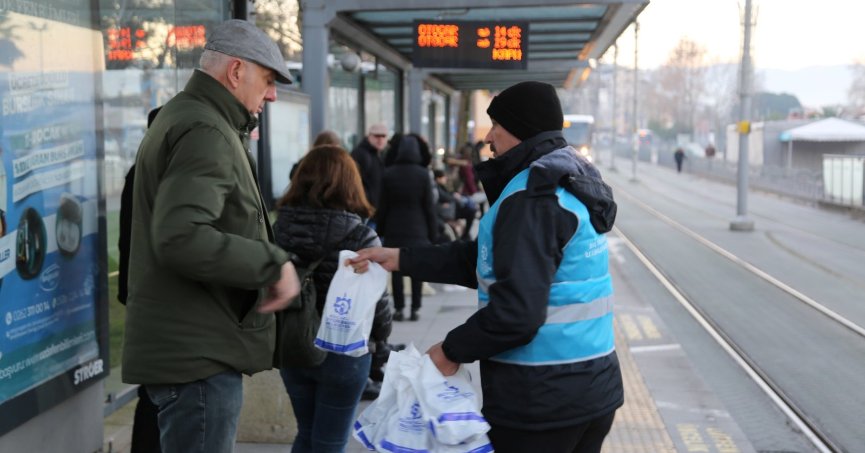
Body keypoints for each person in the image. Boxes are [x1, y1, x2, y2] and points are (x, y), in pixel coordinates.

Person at [350, 81, 622, 453]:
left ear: (523, 130)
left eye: (497, 125)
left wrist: (450, 350)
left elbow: (516, 313)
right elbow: (486, 260)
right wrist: (401, 258)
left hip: (542, 397)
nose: (489, 137)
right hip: (590, 385)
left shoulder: (531, 200)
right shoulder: (567, 182)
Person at [122, 19, 301, 453]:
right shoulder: (206, 129)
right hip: (198, 358)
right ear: (236, 71)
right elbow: (181, 236)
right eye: (269, 80)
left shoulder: (192, 118)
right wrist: (272, 263)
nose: (273, 94)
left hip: (194, 348)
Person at [272, 145, 393, 452]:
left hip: (294, 343)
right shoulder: (361, 236)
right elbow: (378, 303)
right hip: (346, 350)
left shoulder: (277, 230)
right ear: (350, 182)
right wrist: (381, 344)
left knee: (306, 432)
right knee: (330, 441)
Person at [117, 106, 162, 453]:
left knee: (154, 389)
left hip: (139, 291)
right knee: (156, 391)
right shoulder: (153, 174)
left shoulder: (138, 171)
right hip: (152, 295)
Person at [376, 133, 437, 322]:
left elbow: (383, 206)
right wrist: (432, 232)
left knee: (396, 269)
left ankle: (399, 308)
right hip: (418, 229)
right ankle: (415, 308)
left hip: (395, 228)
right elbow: (429, 206)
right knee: (416, 269)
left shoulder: (389, 173)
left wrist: (381, 230)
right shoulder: (423, 174)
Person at [351, 123, 389, 210]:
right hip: (365, 209)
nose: (380, 139)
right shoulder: (361, 154)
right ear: (369, 136)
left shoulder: (377, 155)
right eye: (377, 136)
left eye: (383, 136)